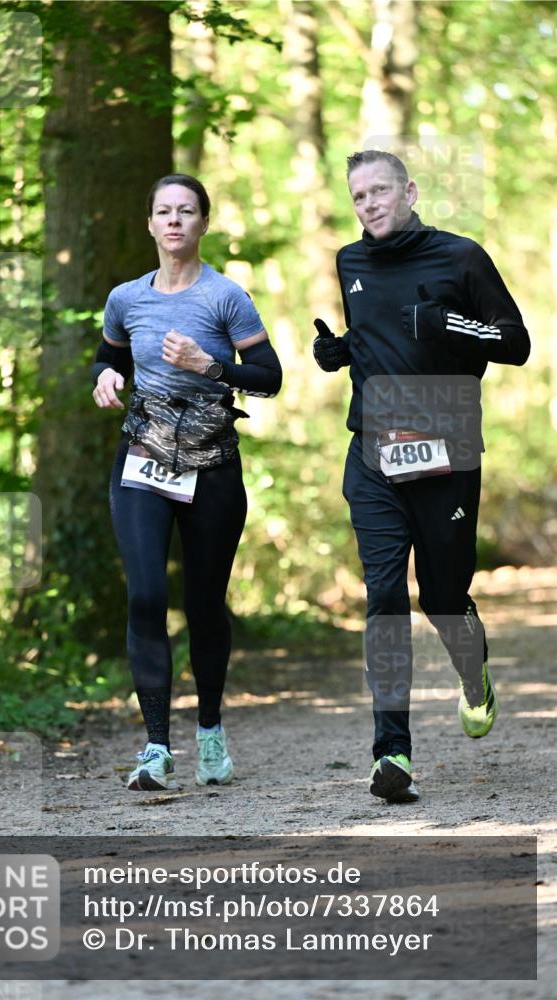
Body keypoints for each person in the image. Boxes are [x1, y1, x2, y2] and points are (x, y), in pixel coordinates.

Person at [313, 150, 529, 803]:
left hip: (445, 454)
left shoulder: (459, 257)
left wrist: (452, 323)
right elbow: (376, 339)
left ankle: (472, 673)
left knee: (440, 598)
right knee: (382, 598)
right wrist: (338, 353)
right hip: (373, 455)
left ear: (408, 190)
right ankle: (392, 754)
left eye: (379, 190)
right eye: (358, 196)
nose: (369, 204)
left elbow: (514, 342)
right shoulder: (350, 262)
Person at [92, 174, 282, 791]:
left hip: (212, 465)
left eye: (187, 211)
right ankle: (153, 747)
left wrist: (211, 364)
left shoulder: (226, 297)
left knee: (204, 604)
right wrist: (105, 378)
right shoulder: (125, 298)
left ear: (203, 223)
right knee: (146, 595)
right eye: (164, 212)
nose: (175, 221)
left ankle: (209, 731)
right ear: (149, 223)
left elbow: (270, 376)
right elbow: (110, 355)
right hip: (143, 460)